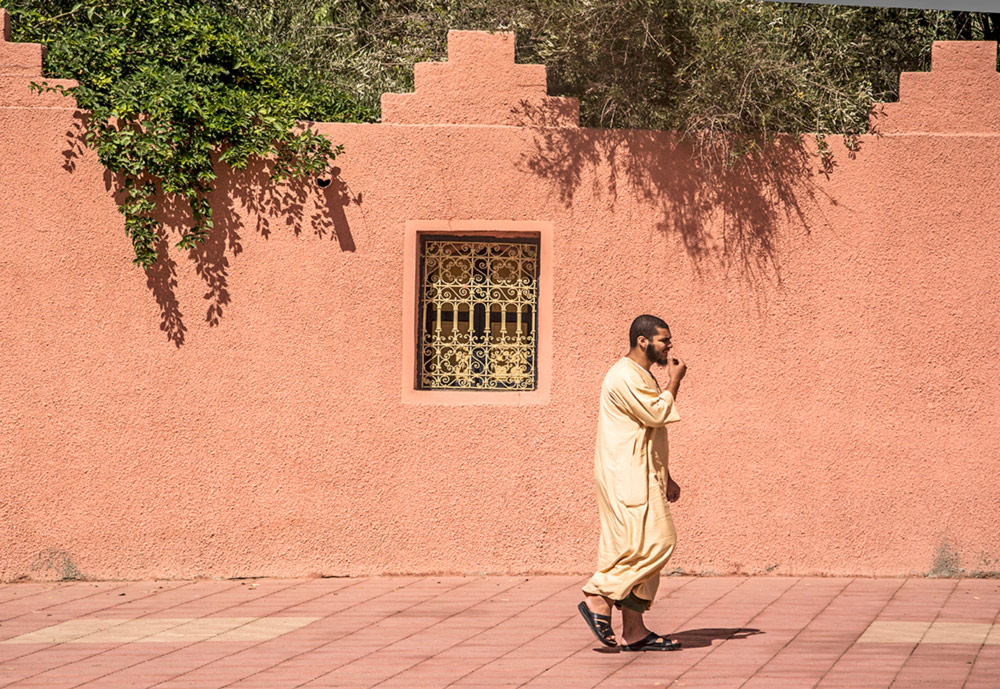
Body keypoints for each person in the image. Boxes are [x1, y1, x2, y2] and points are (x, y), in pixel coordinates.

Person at [577, 314, 687, 652]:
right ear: (643, 341)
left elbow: (649, 431)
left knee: (634, 548)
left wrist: (665, 475)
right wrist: (675, 380)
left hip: (643, 472)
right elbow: (656, 413)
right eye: (663, 340)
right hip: (626, 475)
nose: (669, 346)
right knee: (658, 541)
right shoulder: (624, 375)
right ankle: (598, 594)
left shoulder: (641, 376)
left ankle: (635, 631)